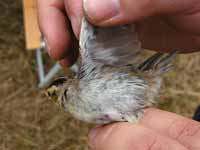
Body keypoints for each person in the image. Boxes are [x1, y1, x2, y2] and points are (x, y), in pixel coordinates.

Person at [37, 0, 200, 149]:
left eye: (55, 94)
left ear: (67, 83)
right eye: (53, 97)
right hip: (136, 111)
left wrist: (96, 12)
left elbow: (93, 22)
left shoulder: (85, 79)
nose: (58, 99)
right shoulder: (78, 108)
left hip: (140, 87)